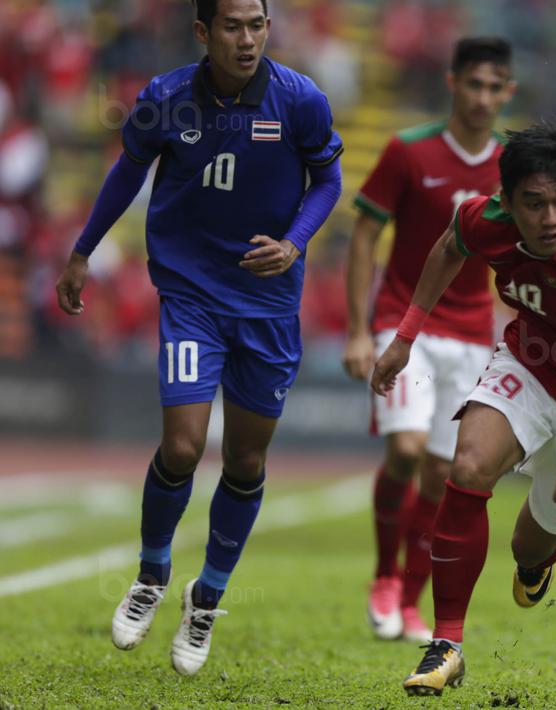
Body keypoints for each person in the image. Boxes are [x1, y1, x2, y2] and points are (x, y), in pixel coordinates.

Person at [53, 0, 342, 676]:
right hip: (191, 294)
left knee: (244, 462)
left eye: (257, 26)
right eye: (233, 27)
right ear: (203, 33)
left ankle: (205, 597)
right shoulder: (166, 97)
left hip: (268, 304)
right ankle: (152, 574)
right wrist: (82, 250)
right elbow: (129, 168)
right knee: (182, 446)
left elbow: (327, 178)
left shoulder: (301, 101)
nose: (247, 40)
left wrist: (295, 244)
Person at [369, 118, 556, 695]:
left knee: (528, 546)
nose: (551, 218)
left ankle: (542, 555)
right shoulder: (486, 220)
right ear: (506, 201)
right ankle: (446, 646)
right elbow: (450, 244)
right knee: (469, 467)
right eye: (534, 204)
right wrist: (406, 336)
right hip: (530, 366)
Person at [343, 37, 515, 643]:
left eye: (495, 87)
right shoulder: (408, 151)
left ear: (508, 93)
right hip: (402, 320)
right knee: (407, 450)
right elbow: (365, 235)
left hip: (472, 332)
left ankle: (412, 601)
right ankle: (385, 577)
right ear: (452, 83)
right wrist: (359, 330)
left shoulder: (511, 170)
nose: (483, 97)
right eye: (474, 84)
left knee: (445, 474)